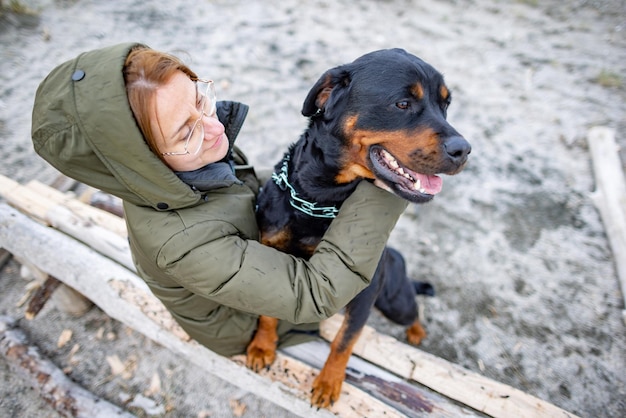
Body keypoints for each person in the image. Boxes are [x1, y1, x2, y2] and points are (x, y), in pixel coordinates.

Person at [31, 43, 408, 357]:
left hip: (249, 269)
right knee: (371, 274)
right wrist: (385, 186)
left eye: (200, 97)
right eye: (185, 131)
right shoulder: (181, 242)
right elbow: (315, 295)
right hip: (239, 322)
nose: (213, 125)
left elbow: (245, 188)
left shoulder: (196, 155)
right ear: (141, 161)